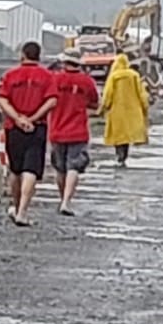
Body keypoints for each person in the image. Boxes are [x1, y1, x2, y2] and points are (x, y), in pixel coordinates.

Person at [0, 40, 58, 226]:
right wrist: (32, 118)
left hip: (13, 129)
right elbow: (52, 101)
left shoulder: (10, 75)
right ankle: (22, 211)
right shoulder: (47, 76)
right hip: (37, 127)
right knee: (31, 169)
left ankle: (16, 206)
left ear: (22, 54)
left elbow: (3, 100)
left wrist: (18, 119)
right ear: (39, 55)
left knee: (15, 169)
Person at [48, 48, 102, 216]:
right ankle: (66, 201)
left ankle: (61, 197)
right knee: (74, 166)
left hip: (57, 129)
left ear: (64, 62)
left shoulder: (55, 80)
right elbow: (94, 104)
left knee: (60, 168)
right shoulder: (87, 82)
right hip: (78, 130)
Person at [98, 52, 151, 167]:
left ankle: (119, 155)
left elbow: (107, 95)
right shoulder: (134, 76)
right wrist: (145, 107)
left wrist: (102, 109)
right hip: (132, 111)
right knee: (127, 136)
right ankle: (124, 156)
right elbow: (142, 94)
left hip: (116, 111)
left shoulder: (113, 77)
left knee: (118, 136)